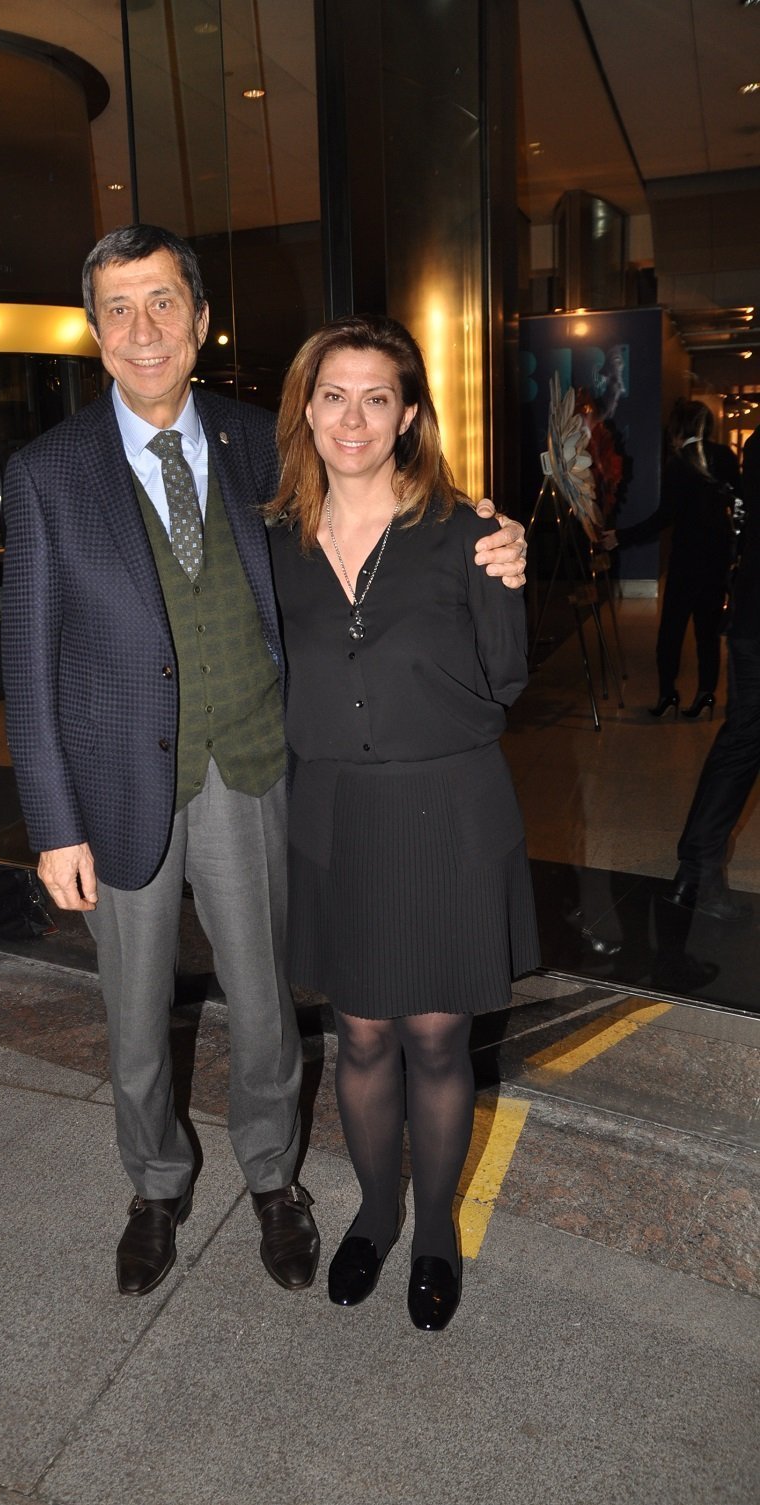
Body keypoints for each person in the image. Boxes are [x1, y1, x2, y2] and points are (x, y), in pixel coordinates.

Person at [0, 225, 528, 1300]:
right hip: (120, 787)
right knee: (135, 1015)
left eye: (163, 303)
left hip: (253, 773)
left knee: (265, 1005)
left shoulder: (260, 446)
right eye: (118, 309)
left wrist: (494, 538)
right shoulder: (46, 472)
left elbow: (380, 526)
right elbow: (27, 659)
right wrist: (53, 823)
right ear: (94, 332)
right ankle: (156, 1186)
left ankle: (275, 1178)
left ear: (201, 320)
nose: (144, 329)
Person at [266, 315, 539, 1331]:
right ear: (306, 410)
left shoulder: (469, 534)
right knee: (361, 1032)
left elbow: (505, 677)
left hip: (447, 810)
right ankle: (375, 1216)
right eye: (333, 395)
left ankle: (434, 1235)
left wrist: (508, 558)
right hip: (334, 812)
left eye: (376, 397)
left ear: (409, 414)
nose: (353, 417)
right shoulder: (272, 542)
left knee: (434, 1035)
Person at [667, 424, 760, 921]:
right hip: (754, 620)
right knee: (743, 741)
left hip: (752, 616)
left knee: (742, 742)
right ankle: (698, 869)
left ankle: (696, 870)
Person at [603, 399, 740, 719]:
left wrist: (621, 536)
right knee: (707, 633)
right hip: (717, 558)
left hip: (687, 560)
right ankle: (706, 694)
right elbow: (740, 504)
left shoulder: (679, 464)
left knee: (671, 632)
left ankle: (668, 694)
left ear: (678, 428)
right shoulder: (725, 456)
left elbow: (663, 518)